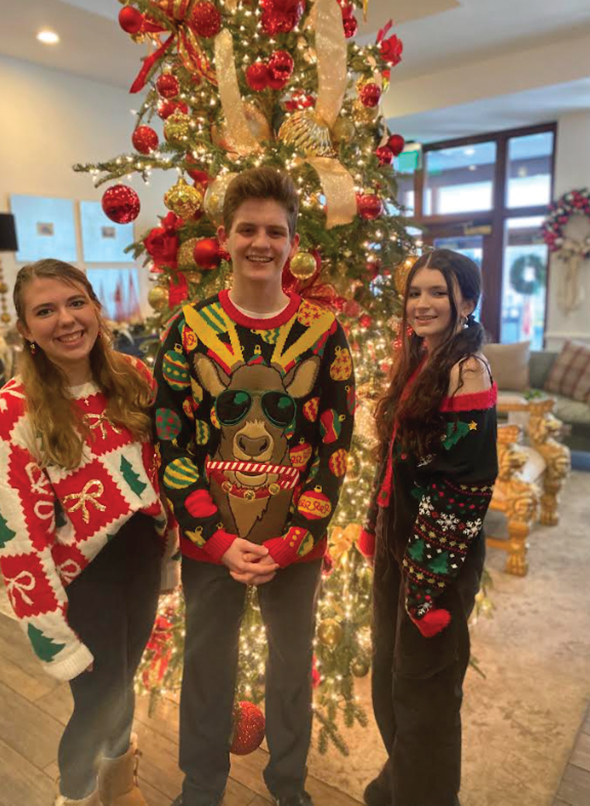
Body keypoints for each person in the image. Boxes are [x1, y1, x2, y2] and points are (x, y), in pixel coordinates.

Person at [154, 166, 355, 806]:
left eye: (275, 230)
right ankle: (202, 786)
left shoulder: (326, 334)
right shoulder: (187, 329)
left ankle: (289, 787)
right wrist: (212, 537)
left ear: (294, 244)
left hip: (295, 543)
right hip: (210, 540)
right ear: (225, 236)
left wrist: (298, 538)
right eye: (248, 230)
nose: (261, 242)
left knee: (291, 670)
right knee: (208, 668)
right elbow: (171, 439)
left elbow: (335, 445)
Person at [0, 259, 179, 806]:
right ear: (25, 329)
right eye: (45, 311)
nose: (66, 320)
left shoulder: (133, 376)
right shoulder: (12, 410)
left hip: (140, 562)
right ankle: (75, 797)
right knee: (96, 702)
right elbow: (18, 535)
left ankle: (119, 786)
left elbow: (157, 473)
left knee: (123, 689)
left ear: (96, 306)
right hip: (81, 582)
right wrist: (51, 632)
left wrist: (167, 557)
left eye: (76, 303)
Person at [358, 249, 498, 806]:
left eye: (437, 292)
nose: (422, 303)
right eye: (415, 292)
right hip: (400, 544)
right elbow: (392, 457)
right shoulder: (420, 359)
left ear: (465, 299)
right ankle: (398, 785)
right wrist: (376, 523)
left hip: (437, 558)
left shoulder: (468, 370)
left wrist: (427, 581)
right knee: (392, 682)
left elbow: (464, 488)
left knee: (426, 695)